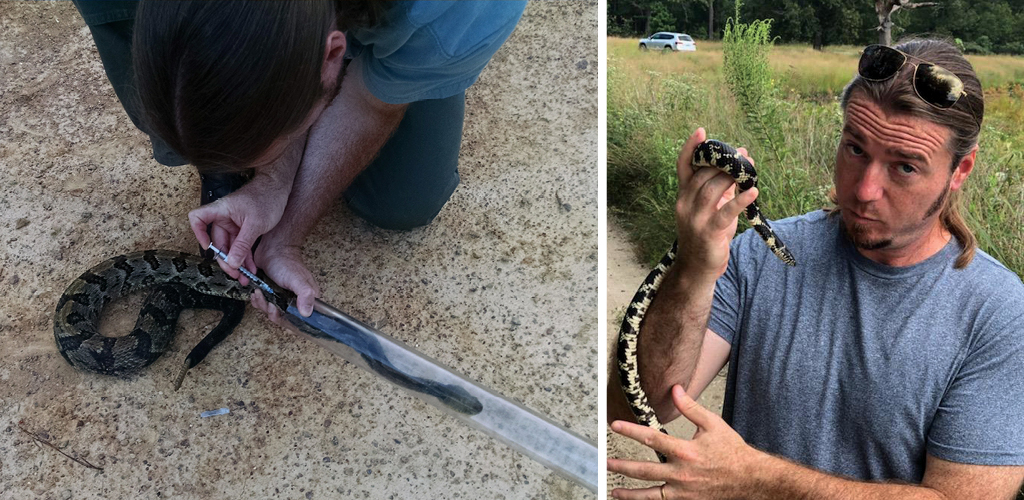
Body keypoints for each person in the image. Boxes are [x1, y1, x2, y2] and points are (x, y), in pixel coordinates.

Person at [607, 39, 1024, 499]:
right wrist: (693, 269)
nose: (864, 190)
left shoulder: (1001, 315)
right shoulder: (758, 253)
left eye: (904, 167)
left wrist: (753, 479)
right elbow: (635, 402)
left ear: (960, 170)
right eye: (855, 149)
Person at [72, 0, 526, 320]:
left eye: (280, 134)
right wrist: (270, 183)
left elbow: (369, 105)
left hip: (409, 22)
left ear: (333, 54)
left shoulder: (457, 13)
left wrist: (286, 235)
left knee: (400, 202)